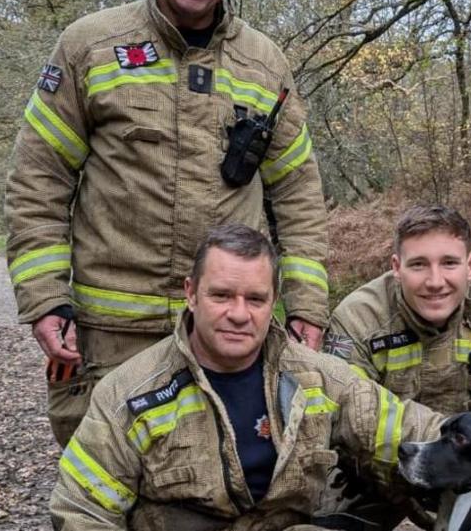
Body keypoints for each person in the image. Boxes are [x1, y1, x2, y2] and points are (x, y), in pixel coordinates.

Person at [5, 0, 329, 446]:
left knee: (232, 480)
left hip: (227, 332)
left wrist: (307, 305)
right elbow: (38, 180)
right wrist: (45, 298)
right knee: (105, 491)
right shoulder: (88, 45)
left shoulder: (266, 65)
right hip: (111, 336)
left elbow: (298, 193)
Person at [50, 224, 443, 531]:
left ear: (274, 300)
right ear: (191, 293)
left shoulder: (317, 377)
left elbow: (408, 431)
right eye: (221, 296)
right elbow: (84, 512)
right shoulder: (128, 395)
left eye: (255, 299)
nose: (239, 314)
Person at [320, 204, 471, 529]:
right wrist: (436, 455)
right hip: (380, 479)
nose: (435, 281)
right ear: (396, 267)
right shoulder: (357, 319)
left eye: (449, 263)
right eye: (418, 265)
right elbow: (348, 423)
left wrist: (459, 467)